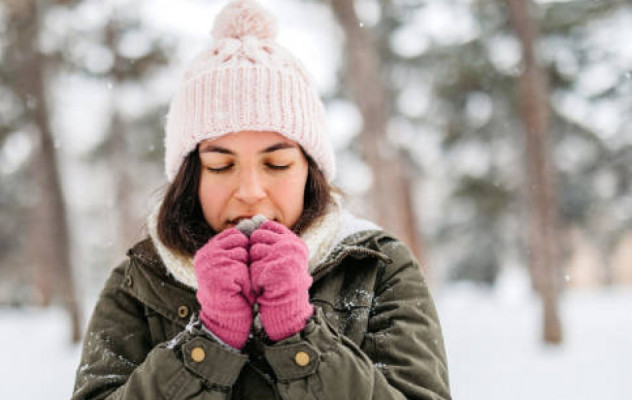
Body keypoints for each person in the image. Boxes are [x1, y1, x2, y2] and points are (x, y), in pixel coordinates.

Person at [71, 1, 450, 399]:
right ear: (191, 177)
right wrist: (207, 345)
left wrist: (300, 337)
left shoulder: (376, 267)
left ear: (310, 171)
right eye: (220, 165)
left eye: (277, 163)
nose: (250, 190)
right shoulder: (140, 280)